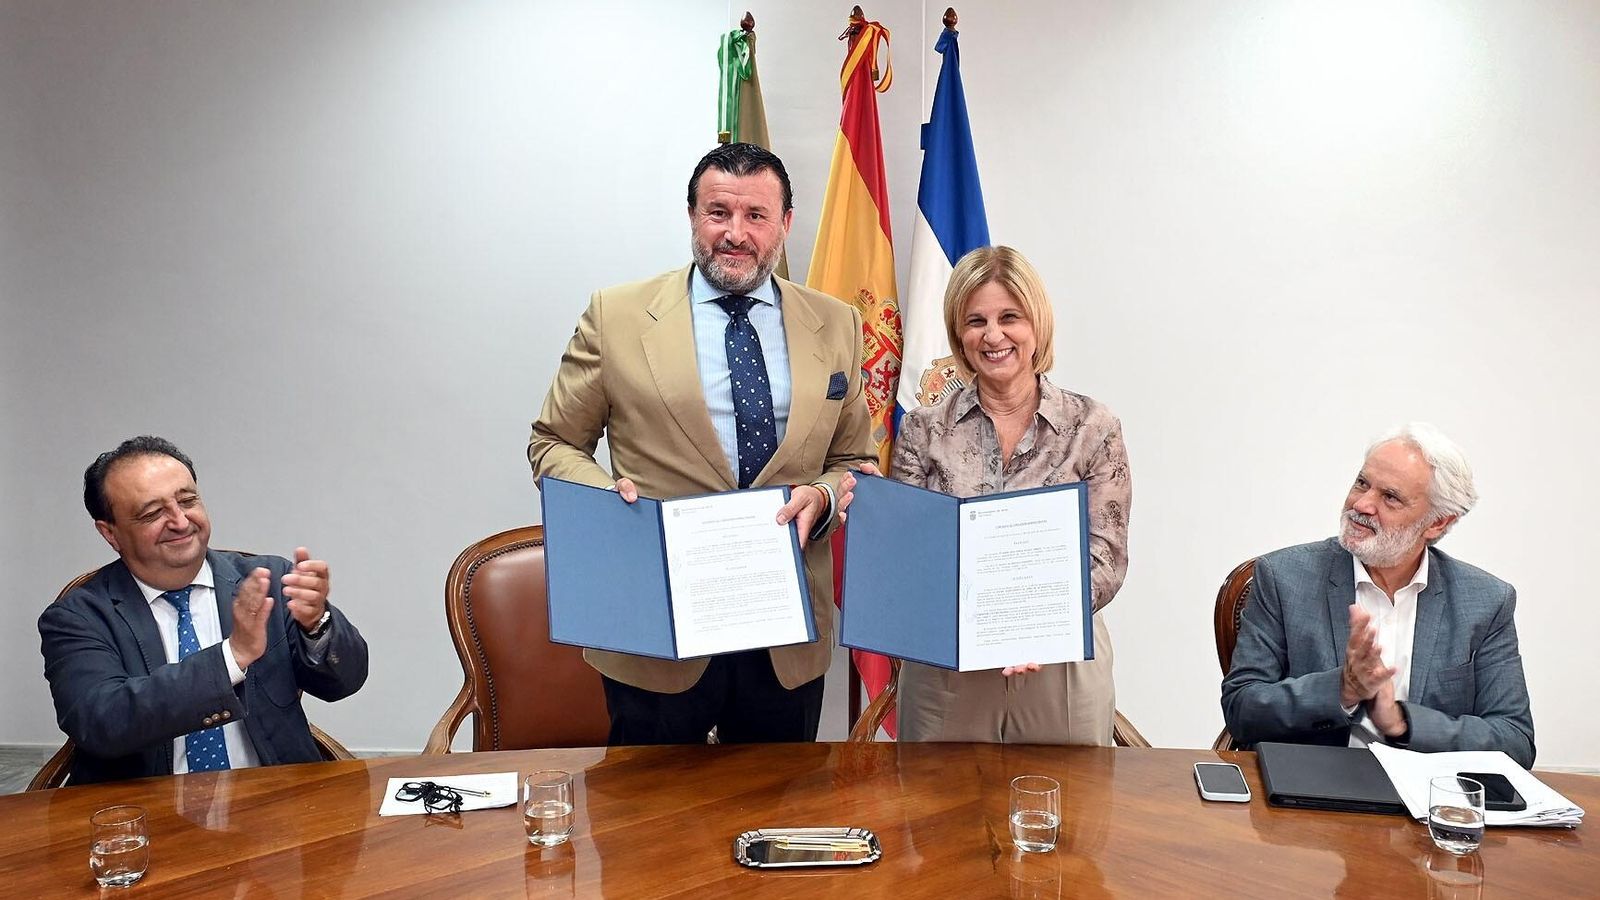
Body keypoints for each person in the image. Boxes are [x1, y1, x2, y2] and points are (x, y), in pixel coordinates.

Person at [528, 142, 875, 745]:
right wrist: (609, 498)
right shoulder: (618, 316)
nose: (735, 233)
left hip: (784, 635)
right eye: (719, 213)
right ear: (692, 216)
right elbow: (553, 442)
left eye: (756, 216)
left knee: (777, 824)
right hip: (656, 629)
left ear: (786, 225)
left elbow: (855, 459)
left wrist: (822, 497)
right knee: (647, 829)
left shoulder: (837, 323)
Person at [890, 245, 1132, 744]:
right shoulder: (921, 429)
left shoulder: (1093, 427)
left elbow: (1105, 556)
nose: (993, 335)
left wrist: (1032, 626)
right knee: (940, 815)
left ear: (1036, 324)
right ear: (959, 333)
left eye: (1009, 317)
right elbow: (912, 555)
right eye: (975, 320)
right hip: (947, 667)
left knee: (1069, 817)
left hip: (1059, 665)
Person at [39, 436, 369, 785]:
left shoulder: (268, 581)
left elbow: (345, 682)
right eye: (153, 513)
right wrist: (232, 657)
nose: (180, 522)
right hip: (142, 817)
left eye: (188, 500)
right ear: (110, 533)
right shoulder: (77, 617)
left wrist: (317, 625)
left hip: (275, 804)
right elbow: (101, 723)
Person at [1221, 423, 1535, 767]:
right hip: (1311, 794)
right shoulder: (1284, 577)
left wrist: (1401, 722)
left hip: (1428, 800)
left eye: (1390, 497)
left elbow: (1515, 741)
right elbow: (1243, 709)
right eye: (1361, 483)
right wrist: (1342, 689)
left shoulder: (1486, 601)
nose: (1362, 504)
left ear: (1438, 523)